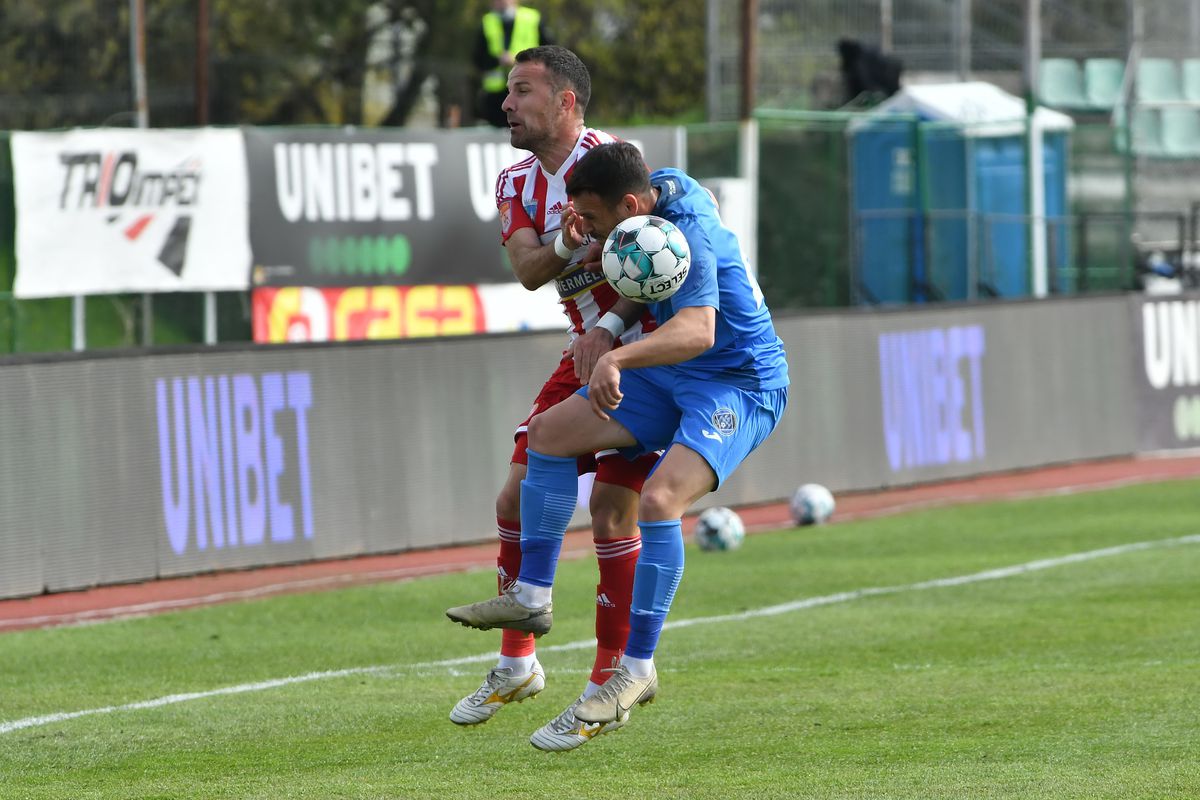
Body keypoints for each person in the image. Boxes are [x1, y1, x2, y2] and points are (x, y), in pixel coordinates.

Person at [447, 140, 789, 737]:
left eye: (600, 224)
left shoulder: (691, 231)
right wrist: (606, 326)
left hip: (737, 382)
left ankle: (635, 668)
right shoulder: (662, 191)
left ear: (630, 204)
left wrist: (619, 358)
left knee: (657, 501)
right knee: (550, 435)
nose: (595, 239)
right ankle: (531, 597)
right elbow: (643, 265)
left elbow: (698, 329)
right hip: (672, 373)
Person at [447, 46, 659, 752]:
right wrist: (570, 250)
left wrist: (609, 327)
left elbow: (660, 262)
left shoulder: (616, 162)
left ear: (566, 102)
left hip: (641, 351)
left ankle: (608, 682)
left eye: (522, 91)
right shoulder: (514, 183)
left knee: (611, 510)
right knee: (511, 499)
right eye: (507, 91)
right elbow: (530, 270)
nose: (506, 104)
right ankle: (517, 665)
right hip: (582, 354)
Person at [473, 0, 553, 128]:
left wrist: (519, 60)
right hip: (496, 95)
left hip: (528, 89)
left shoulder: (532, 18)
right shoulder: (487, 21)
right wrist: (497, 60)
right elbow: (477, 58)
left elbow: (550, 53)